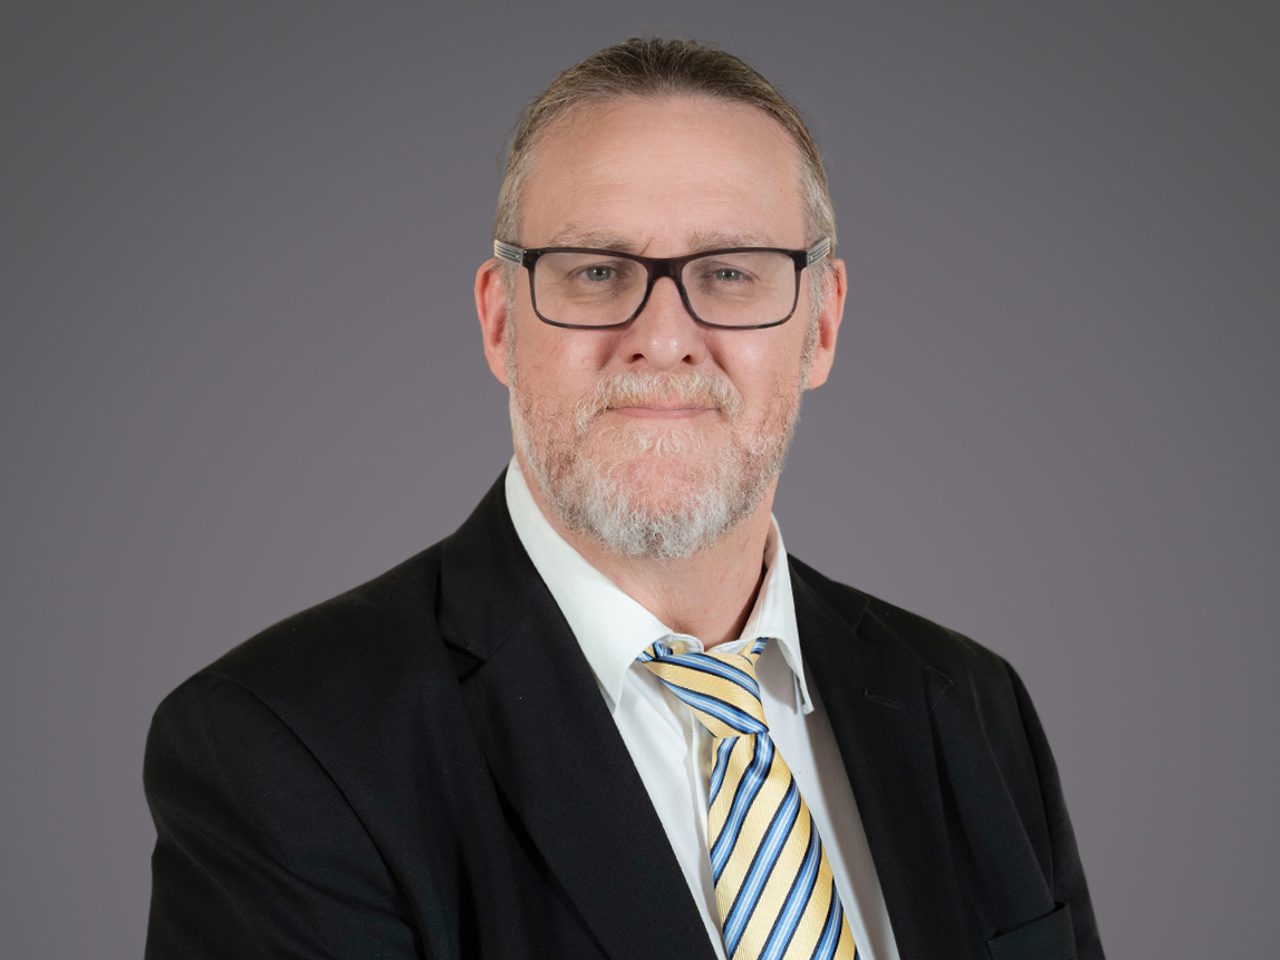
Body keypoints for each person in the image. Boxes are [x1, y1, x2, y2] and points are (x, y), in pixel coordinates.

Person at [143, 37, 1104, 960]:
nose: (664, 337)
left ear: (821, 326)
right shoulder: (287, 747)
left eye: (730, 272)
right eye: (597, 272)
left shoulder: (973, 708)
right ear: (500, 322)